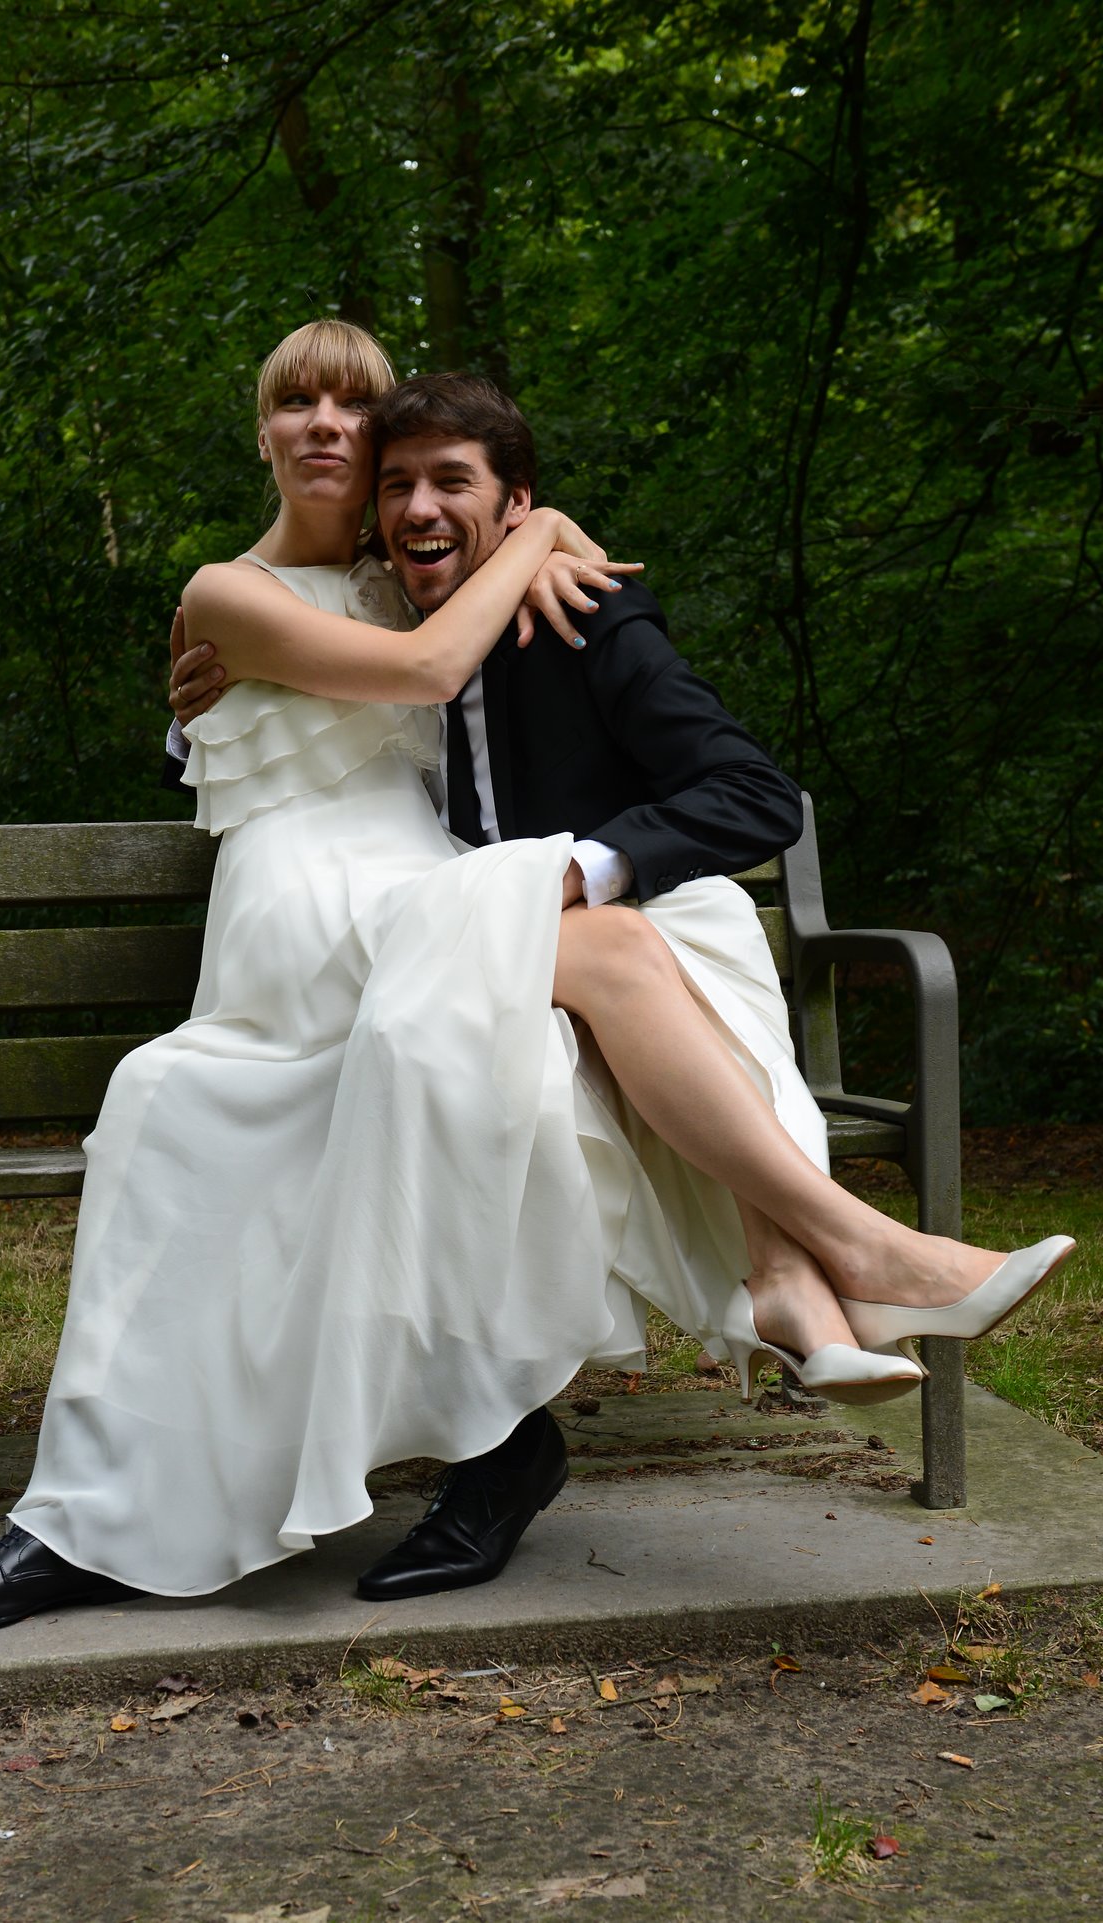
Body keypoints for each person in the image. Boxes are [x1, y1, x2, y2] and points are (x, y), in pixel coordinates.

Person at [163, 370, 1076, 1603]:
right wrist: (197, 694)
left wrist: (589, 868)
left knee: (649, 951)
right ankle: (833, 1258)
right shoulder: (386, 619)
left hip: (572, 930)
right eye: (400, 487)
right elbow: (275, 711)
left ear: (512, 503)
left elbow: (754, 795)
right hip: (416, 947)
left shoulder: (579, 618)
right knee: (594, 994)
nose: (421, 508)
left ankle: (795, 1280)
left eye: (454, 486)